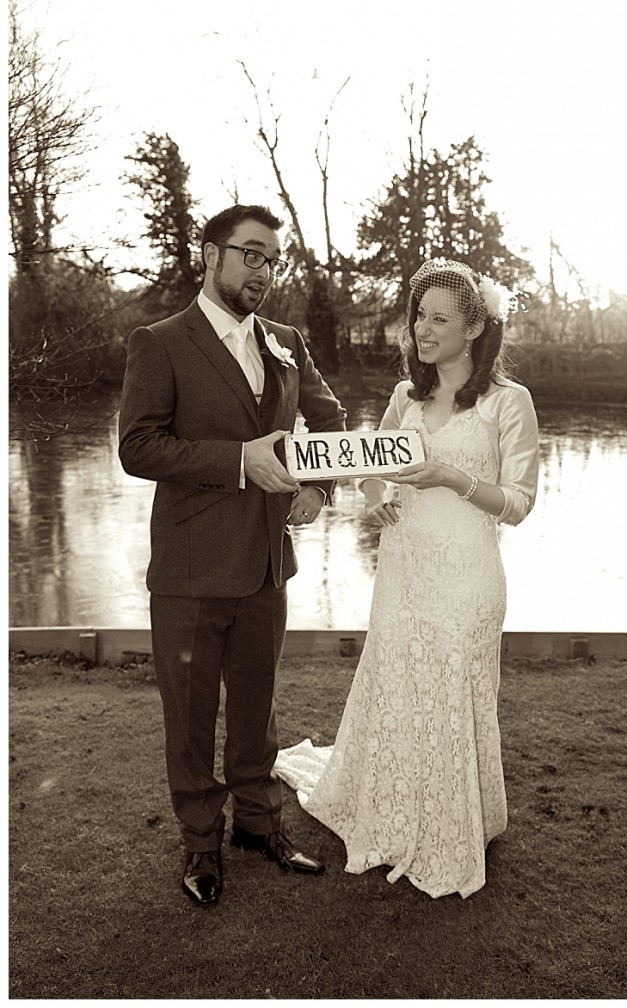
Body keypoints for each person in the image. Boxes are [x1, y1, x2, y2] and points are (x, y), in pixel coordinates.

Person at [275, 258, 539, 899]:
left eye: (439, 318)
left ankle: (454, 825)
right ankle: (390, 809)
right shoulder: (405, 397)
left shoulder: (510, 403)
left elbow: (521, 502)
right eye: (419, 314)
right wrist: (372, 498)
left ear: (474, 328)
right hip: (403, 569)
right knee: (396, 684)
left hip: (469, 575)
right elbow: (367, 466)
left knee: (453, 692)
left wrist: (452, 478)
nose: (422, 328)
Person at [118, 204, 347, 906]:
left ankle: (259, 825)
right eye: (251, 254)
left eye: (272, 259)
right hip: (189, 571)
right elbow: (138, 447)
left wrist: (317, 484)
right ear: (210, 256)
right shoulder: (159, 343)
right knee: (189, 720)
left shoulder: (285, 340)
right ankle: (199, 847)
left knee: (257, 709)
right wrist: (240, 461)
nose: (263, 270)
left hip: (266, 567)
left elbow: (330, 418)